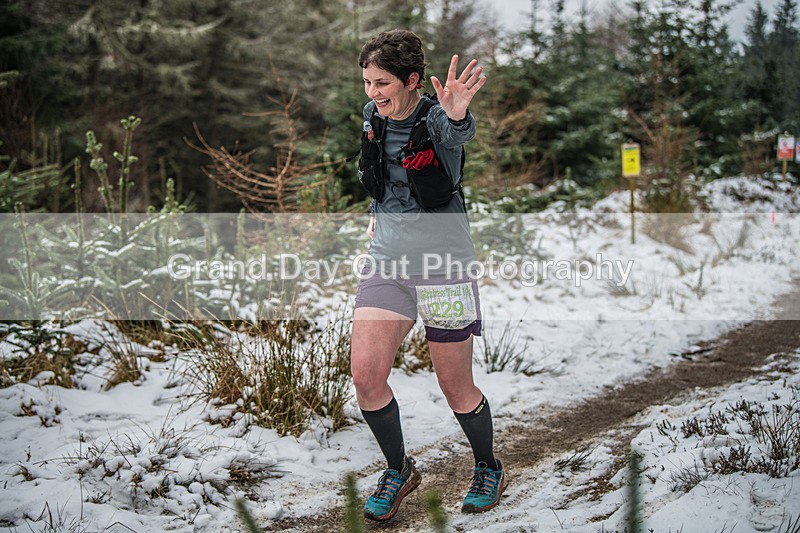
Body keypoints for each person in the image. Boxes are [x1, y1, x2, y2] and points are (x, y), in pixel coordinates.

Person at [350, 29, 504, 522]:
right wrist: (380, 210)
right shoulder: (374, 117)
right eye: (367, 82)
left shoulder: (437, 120)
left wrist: (457, 110)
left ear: (412, 79)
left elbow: (457, 134)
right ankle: (399, 470)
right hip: (387, 264)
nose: (373, 92)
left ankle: (487, 466)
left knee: (455, 385)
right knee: (366, 377)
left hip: (444, 267)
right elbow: (383, 174)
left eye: (381, 82)